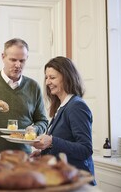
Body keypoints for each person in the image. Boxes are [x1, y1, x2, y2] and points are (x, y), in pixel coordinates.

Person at [31, 56, 96, 185]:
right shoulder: (62, 107)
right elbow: (65, 142)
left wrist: (51, 141)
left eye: (52, 77)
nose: (48, 82)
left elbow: (85, 149)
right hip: (65, 179)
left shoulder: (76, 106)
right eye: (46, 77)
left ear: (66, 77)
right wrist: (43, 153)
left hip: (77, 181)